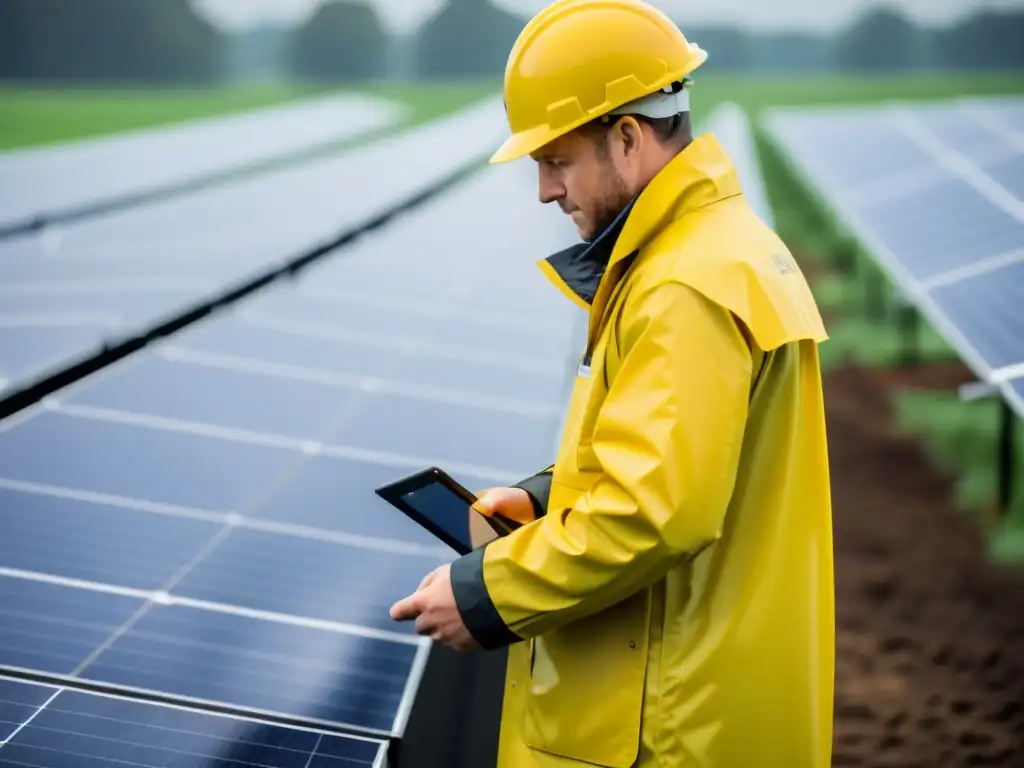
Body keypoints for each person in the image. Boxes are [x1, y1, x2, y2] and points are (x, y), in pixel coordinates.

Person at [389, 1, 836, 765]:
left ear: (626, 137)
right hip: (710, 697)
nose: (544, 191)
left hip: (667, 725)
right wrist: (546, 496)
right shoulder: (720, 248)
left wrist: (485, 594)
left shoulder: (682, 285)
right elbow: (690, 455)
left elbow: (653, 513)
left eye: (556, 160)